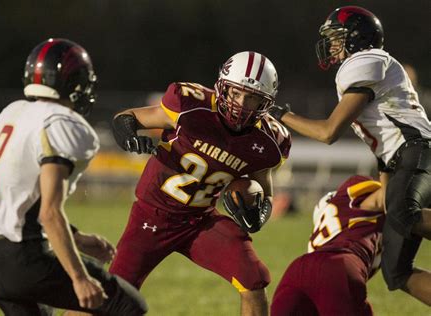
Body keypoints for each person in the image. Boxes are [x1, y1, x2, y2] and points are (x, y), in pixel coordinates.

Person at [270, 6, 431, 305]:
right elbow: (384, 144)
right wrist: (386, 187)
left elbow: (328, 132)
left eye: (336, 38)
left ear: (356, 38)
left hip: (419, 151)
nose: (331, 46)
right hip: (401, 158)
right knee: (396, 271)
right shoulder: (370, 67)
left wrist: (282, 114)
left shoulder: (366, 60)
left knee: (402, 213)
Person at [110, 51, 291, 315]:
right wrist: (128, 135)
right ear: (222, 87)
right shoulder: (191, 106)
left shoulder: (268, 141)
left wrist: (259, 213)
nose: (241, 104)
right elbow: (126, 118)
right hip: (152, 216)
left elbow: (264, 187)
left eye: (252, 98)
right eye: (236, 93)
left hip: (200, 221)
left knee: (254, 278)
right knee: (111, 298)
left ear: (266, 103)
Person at [0, 38, 147, 316]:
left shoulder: (13, 112)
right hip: (28, 262)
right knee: (128, 306)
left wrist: (78, 239)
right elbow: (49, 213)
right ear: (74, 82)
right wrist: (80, 278)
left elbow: (21, 201)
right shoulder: (62, 122)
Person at [270, 175, 385, 315]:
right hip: (339, 267)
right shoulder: (356, 204)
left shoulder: (325, 226)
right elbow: (389, 194)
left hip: (298, 269)